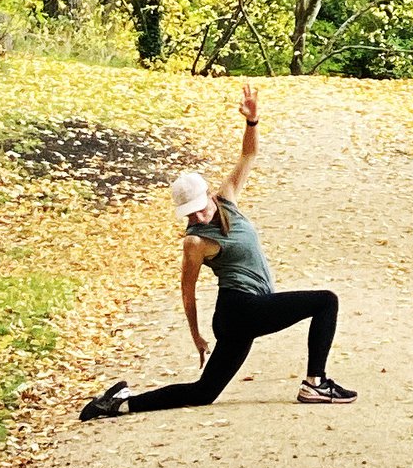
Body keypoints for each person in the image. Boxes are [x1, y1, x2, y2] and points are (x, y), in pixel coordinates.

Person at [80, 83, 355, 417]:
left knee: (204, 392)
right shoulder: (194, 241)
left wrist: (252, 122)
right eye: (190, 213)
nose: (198, 215)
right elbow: (187, 290)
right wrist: (195, 335)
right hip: (241, 309)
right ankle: (315, 382)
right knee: (326, 301)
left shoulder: (227, 198)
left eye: (200, 206)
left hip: (238, 317)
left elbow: (248, 155)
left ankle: (120, 403)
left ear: (210, 194)